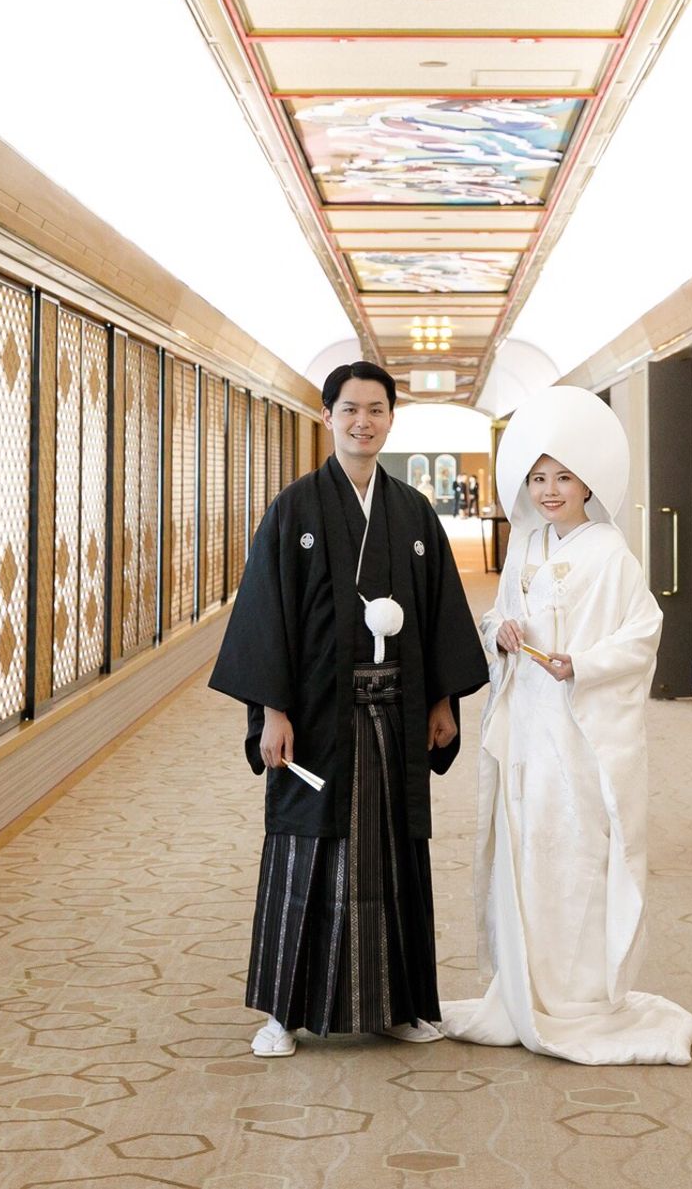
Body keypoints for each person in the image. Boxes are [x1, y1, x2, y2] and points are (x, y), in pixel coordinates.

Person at [209, 362, 488, 1056]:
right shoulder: (295, 509)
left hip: (395, 712)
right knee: (307, 851)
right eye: (350, 409)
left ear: (391, 418)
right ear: (328, 416)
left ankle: (397, 1005)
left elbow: (438, 613)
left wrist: (443, 700)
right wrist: (272, 711)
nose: (363, 422)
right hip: (316, 714)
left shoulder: (413, 512)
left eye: (376, 410)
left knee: (392, 855)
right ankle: (283, 1013)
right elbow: (266, 615)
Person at [442, 385, 692, 1065]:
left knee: (576, 849)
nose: (550, 491)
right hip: (528, 723)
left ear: (588, 482)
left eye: (562, 477)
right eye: (538, 478)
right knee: (525, 843)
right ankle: (526, 986)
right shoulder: (525, 544)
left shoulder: (611, 553)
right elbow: (497, 615)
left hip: (581, 730)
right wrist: (503, 632)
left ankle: (578, 995)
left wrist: (581, 664)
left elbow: (642, 634)